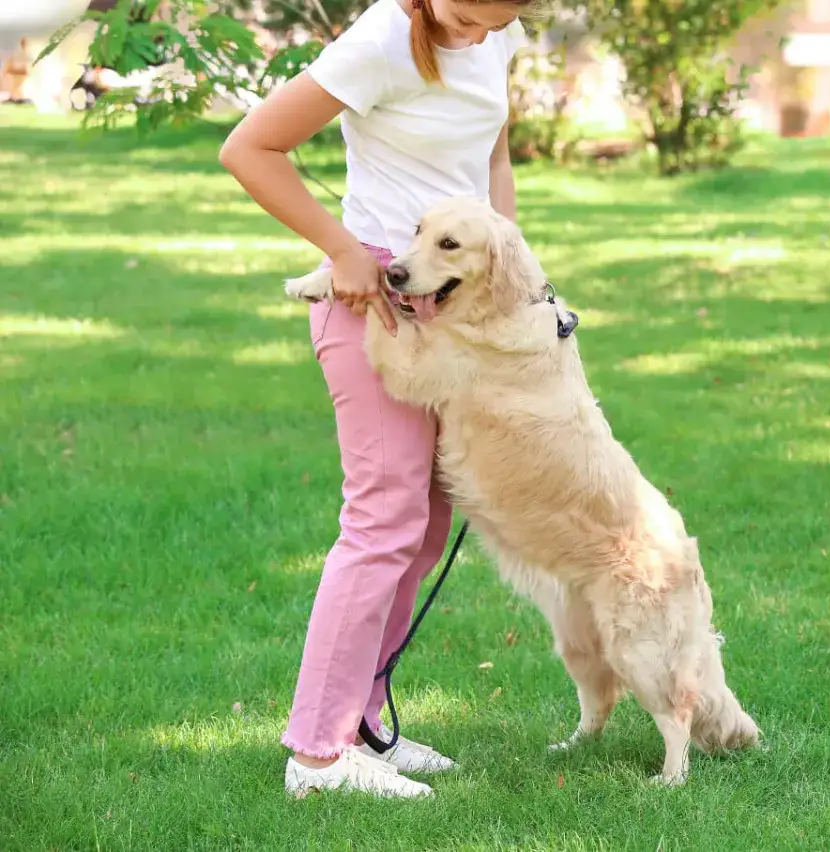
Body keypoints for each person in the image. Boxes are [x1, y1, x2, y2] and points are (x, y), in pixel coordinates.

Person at [218, 0, 540, 799]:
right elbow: (250, 148)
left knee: (426, 524)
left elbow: (490, 161)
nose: (478, 31)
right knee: (382, 520)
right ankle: (318, 755)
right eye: (468, 13)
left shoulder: (500, 35)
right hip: (373, 314)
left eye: (498, 18)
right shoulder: (384, 36)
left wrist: (506, 265)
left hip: (451, 316)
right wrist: (340, 249)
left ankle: (363, 724)